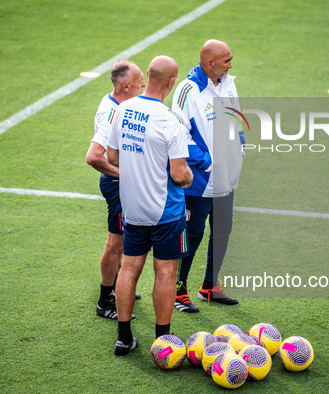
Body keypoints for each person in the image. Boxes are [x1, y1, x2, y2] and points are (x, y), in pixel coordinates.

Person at [107, 56, 193, 356]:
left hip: (132, 207)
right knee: (166, 272)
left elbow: (113, 157)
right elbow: (179, 174)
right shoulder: (172, 120)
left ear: (148, 77)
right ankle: (163, 341)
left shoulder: (123, 110)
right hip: (165, 211)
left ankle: (123, 337)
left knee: (129, 269)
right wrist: (190, 175)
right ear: (171, 82)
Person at [170, 39, 245, 313]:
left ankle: (210, 286)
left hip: (227, 175)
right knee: (193, 232)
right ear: (209, 63)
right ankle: (179, 289)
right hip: (200, 178)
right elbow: (178, 133)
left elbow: (236, 119)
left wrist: (240, 148)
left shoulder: (228, 82)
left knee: (223, 227)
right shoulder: (187, 90)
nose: (230, 64)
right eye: (226, 60)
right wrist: (208, 162)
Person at [85, 60, 146, 321]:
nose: (144, 84)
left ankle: (120, 287)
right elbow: (94, 157)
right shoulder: (113, 114)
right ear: (125, 85)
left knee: (123, 243)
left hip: (121, 184)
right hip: (117, 185)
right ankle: (104, 301)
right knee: (116, 244)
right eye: (140, 80)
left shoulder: (118, 103)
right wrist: (127, 176)